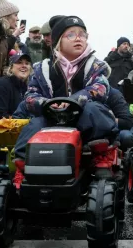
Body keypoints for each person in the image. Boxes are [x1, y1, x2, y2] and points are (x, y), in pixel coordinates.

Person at [12, 15, 118, 190]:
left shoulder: (95, 66)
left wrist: (74, 100)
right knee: (33, 125)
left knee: (96, 110)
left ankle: (100, 155)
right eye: (71, 35)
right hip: (51, 118)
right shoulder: (42, 69)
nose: (78, 38)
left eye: (82, 34)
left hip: (82, 119)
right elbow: (30, 95)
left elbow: (100, 88)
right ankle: (23, 164)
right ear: (59, 41)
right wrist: (45, 103)